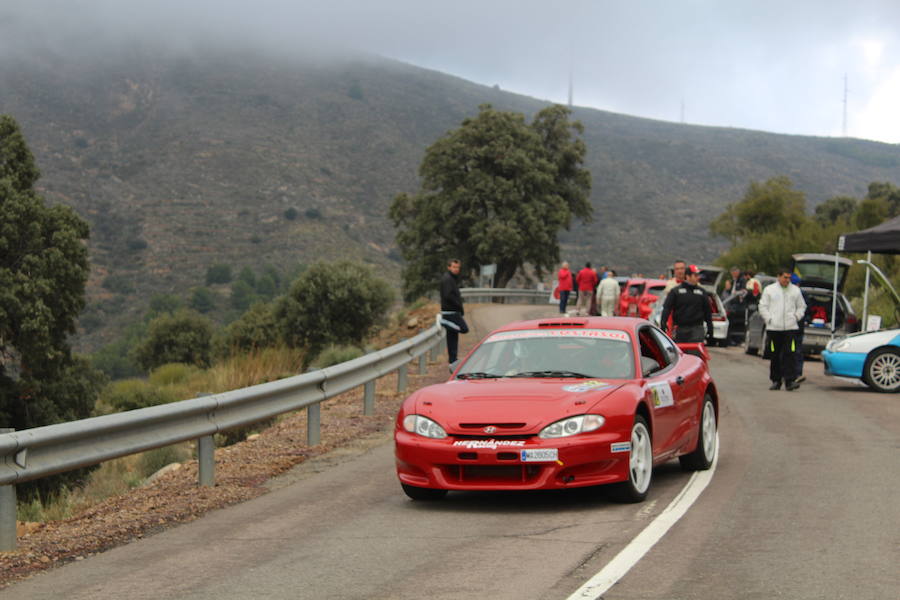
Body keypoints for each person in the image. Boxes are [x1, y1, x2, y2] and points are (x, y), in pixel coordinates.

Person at [758, 268, 807, 391]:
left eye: (789, 278)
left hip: (790, 329)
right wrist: (769, 319)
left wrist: (796, 317)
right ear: (778, 276)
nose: (787, 280)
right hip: (774, 329)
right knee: (775, 354)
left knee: (790, 354)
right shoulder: (770, 290)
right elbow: (763, 306)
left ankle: (790, 381)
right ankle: (776, 380)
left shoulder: (795, 291)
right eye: (785, 277)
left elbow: (802, 306)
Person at [659, 264, 713, 343]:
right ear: (688, 276)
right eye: (695, 275)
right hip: (680, 329)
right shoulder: (676, 291)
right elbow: (667, 308)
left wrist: (710, 327)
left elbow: (707, 311)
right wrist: (663, 322)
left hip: (697, 329)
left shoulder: (702, 292)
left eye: (698, 275)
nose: (698, 277)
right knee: (681, 353)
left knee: (695, 353)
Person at [440, 258, 469, 364]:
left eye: (458, 267)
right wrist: (458, 304)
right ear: (449, 267)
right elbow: (448, 295)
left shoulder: (452, 278)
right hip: (450, 312)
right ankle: (443, 322)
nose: (456, 269)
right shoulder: (447, 279)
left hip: (452, 311)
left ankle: (453, 359)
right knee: (464, 329)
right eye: (454, 267)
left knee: (452, 337)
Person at [791, 273, 810, 383]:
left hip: (792, 327)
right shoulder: (803, 294)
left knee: (790, 350)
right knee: (797, 350)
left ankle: (792, 373)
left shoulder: (792, 294)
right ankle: (797, 373)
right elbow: (807, 310)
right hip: (798, 327)